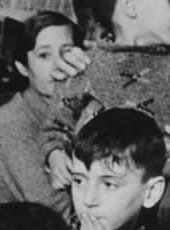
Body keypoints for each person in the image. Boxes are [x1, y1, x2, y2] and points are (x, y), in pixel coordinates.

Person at [0, 11, 80, 218]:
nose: (59, 65)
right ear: (22, 67)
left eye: (67, 52)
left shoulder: (72, 113)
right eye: (44, 55)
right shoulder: (12, 122)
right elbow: (57, 212)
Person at [42, 0, 170, 199]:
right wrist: (55, 155)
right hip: (98, 199)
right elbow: (56, 125)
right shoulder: (85, 66)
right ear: (131, 5)